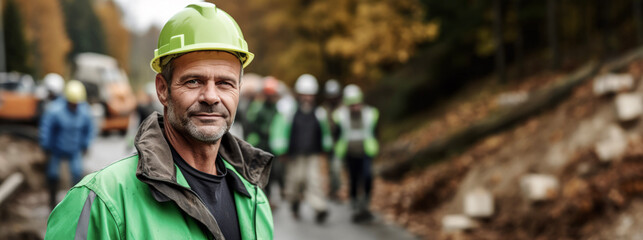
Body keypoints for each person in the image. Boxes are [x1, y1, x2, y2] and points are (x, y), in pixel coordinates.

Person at [45, 3, 274, 239]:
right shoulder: (102, 202)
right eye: (193, 81)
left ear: (239, 90)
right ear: (163, 90)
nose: (211, 97)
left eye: (225, 83)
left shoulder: (255, 200)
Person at [272, 73, 333, 223]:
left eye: (310, 95)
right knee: (295, 181)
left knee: (314, 180)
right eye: (304, 94)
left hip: (313, 153)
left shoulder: (319, 113)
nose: (307, 98)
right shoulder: (289, 112)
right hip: (294, 154)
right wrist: (281, 150)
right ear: (299, 94)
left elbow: (325, 132)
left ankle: (320, 209)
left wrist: (327, 147)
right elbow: (279, 130)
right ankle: (294, 203)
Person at [39, 80, 94, 210]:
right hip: (57, 149)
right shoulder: (55, 110)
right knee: (53, 174)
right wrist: (46, 144)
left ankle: (75, 203)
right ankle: (51, 202)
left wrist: (86, 144)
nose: (75, 106)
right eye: (72, 103)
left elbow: (89, 128)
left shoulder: (84, 111)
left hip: (74, 149)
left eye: (77, 103)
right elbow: (46, 128)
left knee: (77, 173)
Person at [332, 84, 379, 223]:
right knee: (353, 178)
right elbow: (337, 134)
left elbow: (375, 132)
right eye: (351, 105)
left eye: (357, 104)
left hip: (366, 152)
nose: (355, 107)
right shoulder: (341, 116)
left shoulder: (370, 114)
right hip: (349, 153)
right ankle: (354, 202)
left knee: (367, 176)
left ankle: (365, 203)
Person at [245, 76, 284, 205]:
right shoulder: (258, 108)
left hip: (272, 146)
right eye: (268, 94)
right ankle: (263, 197)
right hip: (261, 145)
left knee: (273, 173)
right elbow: (250, 125)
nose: (270, 96)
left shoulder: (276, 109)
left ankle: (270, 197)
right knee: (261, 171)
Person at [321, 79, 343, 200]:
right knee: (331, 169)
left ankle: (337, 190)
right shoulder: (324, 109)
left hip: (340, 142)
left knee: (336, 168)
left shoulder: (342, 108)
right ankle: (332, 190)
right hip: (330, 142)